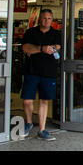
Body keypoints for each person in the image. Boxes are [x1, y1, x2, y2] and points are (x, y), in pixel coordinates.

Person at [21, 9, 61, 141]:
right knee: (27, 100)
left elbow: (57, 47)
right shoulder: (30, 32)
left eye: (49, 18)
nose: (46, 21)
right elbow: (25, 48)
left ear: (52, 20)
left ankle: (42, 130)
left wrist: (35, 50)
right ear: (39, 19)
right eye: (44, 18)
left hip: (48, 73)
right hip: (31, 71)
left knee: (44, 101)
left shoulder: (56, 34)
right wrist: (42, 49)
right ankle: (28, 122)